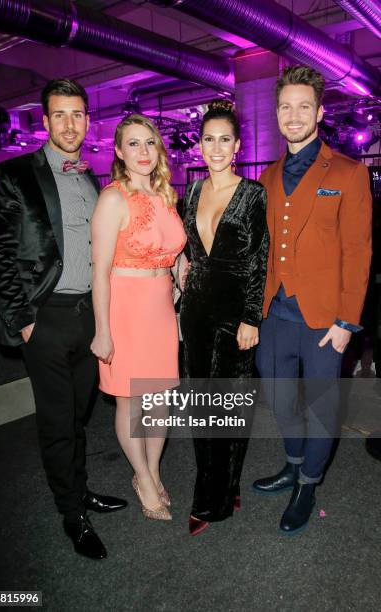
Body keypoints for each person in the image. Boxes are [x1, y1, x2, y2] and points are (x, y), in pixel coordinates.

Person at [0, 78, 127, 561]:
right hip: (44, 318)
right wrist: (23, 319)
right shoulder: (13, 173)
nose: (70, 124)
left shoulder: (89, 175)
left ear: (88, 120)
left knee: (79, 415)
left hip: (89, 315)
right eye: (60, 115)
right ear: (44, 122)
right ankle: (72, 513)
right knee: (58, 422)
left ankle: (80, 490)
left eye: (78, 114)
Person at [253, 66, 372, 534]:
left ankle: (307, 482)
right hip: (275, 314)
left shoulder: (348, 172)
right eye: (286, 106)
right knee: (281, 400)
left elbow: (358, 251)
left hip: (325, 319)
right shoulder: (266, 176)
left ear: (320, 112)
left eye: (304, 106)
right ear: (277, 115)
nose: (294, 115)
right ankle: (293, 461)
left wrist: (347, 321)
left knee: (322, 408)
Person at [179, 99, 269, 536]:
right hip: (196, 311)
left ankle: (216, 494)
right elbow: (187, 252)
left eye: (225, 140)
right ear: (199, 145)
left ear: (237, 146)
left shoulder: (253, 194)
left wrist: (252, 318)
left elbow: (258, 262)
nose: (216, 148)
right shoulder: (191, 191)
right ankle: (219, 485)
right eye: (208, 139)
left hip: (236, 315)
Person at [90, 114, 186, 521]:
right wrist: (102, 331)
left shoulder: (167, 195)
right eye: (133, 144)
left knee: (160, 399)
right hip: (125, 308)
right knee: (131, 402)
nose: (143, 152)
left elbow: (173, 247)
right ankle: (142, 477)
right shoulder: (113, 198)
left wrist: (180, 268)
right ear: (118, 151)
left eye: (149, 143)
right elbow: (99, 271)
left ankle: (155, 468)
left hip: (161, 307)